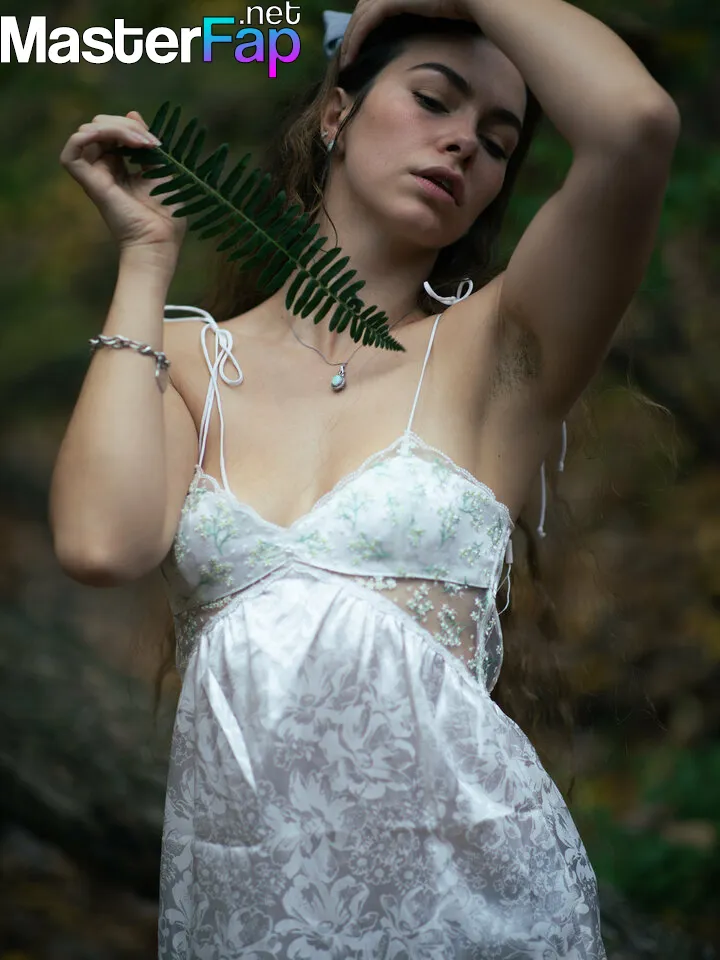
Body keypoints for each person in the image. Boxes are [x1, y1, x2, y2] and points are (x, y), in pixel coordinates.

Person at [51, 0, 679, 956]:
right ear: (335, 113)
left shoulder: (499, 349)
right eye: (433, 99)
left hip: (476, 918)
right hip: (252, 918)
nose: (463, 143)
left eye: (497, 143)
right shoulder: (186, 363)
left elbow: (634, 125)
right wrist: (145, 257)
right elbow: (102, 544)